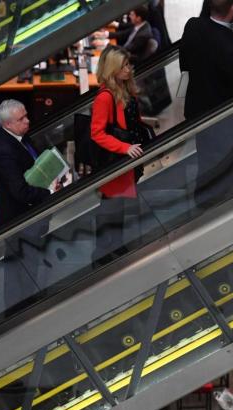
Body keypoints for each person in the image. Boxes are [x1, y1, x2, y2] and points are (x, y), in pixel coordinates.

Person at [179, 0, 233, 207]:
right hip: (226, 122)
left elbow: (185, 64)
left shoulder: (193, 27)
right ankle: (219, 206)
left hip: (199, 113)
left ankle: (202, 201)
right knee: (225, 166)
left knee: (206, 160)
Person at [0, 99, 57, 311]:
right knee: (20, 265)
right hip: (19, 217)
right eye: (21, 119)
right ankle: (20, 309)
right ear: (7, 124)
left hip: (27, 213)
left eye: (26, 115)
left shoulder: (18, 137)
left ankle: (26, 301)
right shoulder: (3, 151)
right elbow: (20, 191)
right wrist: (49, 192)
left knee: (27, 262)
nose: (28, 121)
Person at [90, 46, 146, 264]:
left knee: (119, 206)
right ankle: (102, 253)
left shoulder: (125, 89)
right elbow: (97, 133)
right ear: (113, 69)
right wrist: (125, 148)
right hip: (115, 161)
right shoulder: (105, 97)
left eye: (128, 64)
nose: (128, 69)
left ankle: (116, 245)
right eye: (123, 66)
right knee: (110, 208)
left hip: (127, 161)